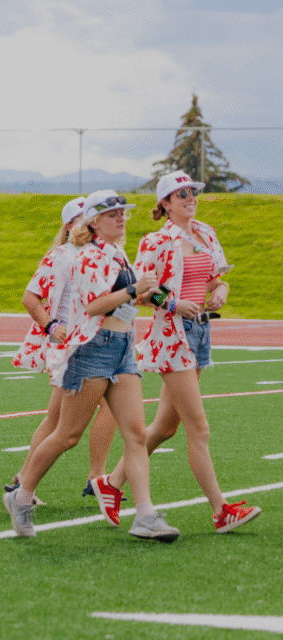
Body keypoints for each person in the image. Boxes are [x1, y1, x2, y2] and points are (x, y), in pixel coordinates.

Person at [3, 190, 179, 543]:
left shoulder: (116, 253)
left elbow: (131, 296)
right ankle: (20, 497)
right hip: (93, 349)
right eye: (112, 213)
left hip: (124, 347)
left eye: (123, 212)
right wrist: (133, 291)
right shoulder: (86, 257)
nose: (121, 217)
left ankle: (145, 515)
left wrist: (168, 301)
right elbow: (95, 306)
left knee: (137, 434)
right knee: (67, 435)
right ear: (94, 221)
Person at [99, 171, 261, 533]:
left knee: (165, 427)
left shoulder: (204, 232)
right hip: (173, 336)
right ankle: (221, 511)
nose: (191, 198)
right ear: (166, 204)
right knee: (198, 428)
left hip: (201, 332)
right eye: (182, 194)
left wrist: (221, 290)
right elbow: (140, 292)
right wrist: (173, 304)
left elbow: (216, 277)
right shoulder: (156, 241)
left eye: (193, 192)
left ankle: (110, 484)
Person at [8, 197, 117, 501]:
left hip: (94, 342)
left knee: (63, 417)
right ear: (71, 226)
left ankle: (31, 479)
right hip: (75, 346)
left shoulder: (103, 254)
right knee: (63, 422)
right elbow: (30, 298)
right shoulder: (62, 255)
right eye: (86, 219)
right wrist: (54, 327)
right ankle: (88, 477)